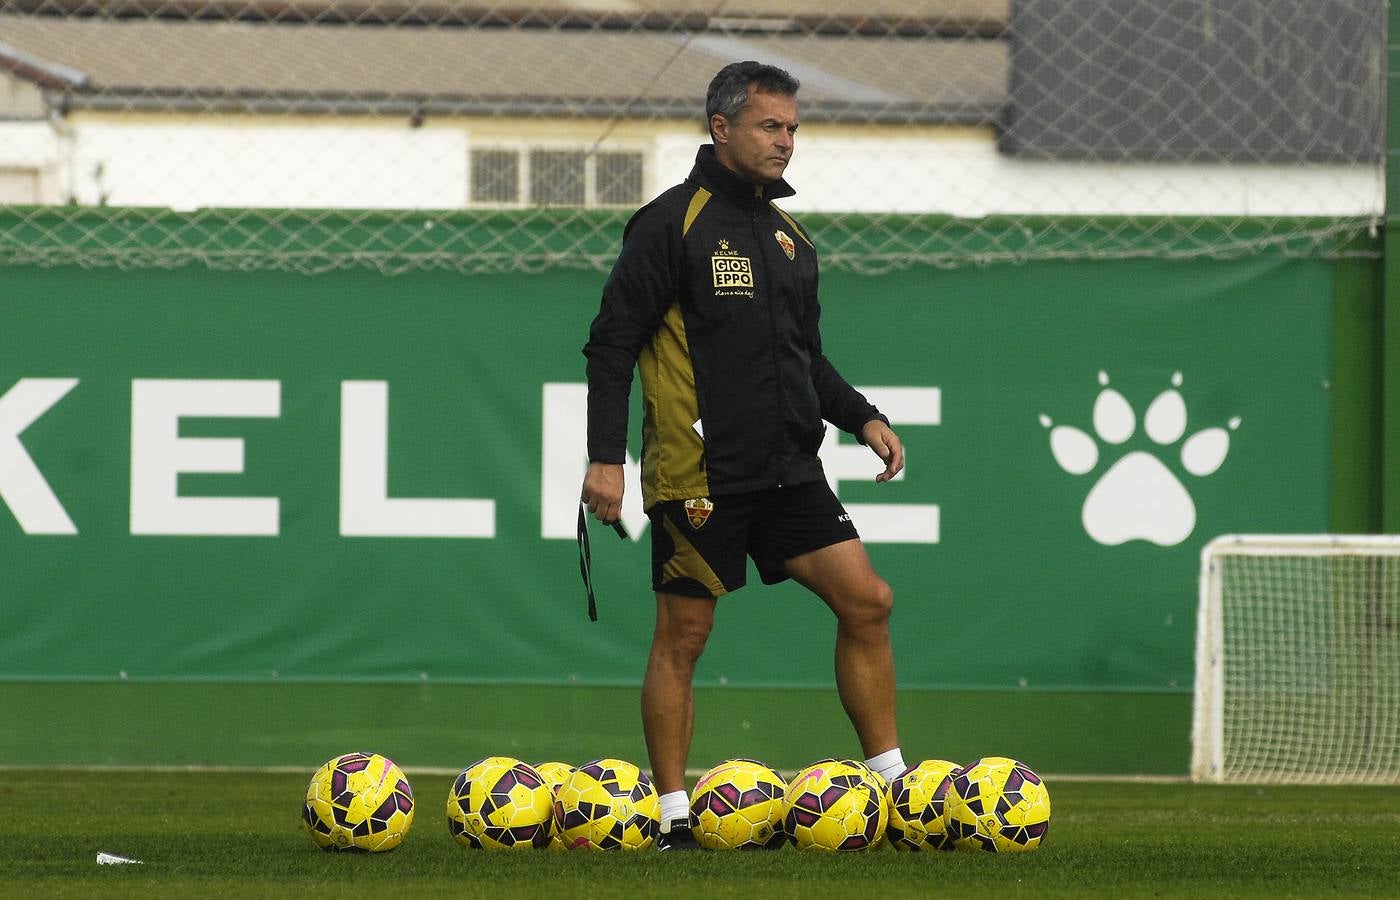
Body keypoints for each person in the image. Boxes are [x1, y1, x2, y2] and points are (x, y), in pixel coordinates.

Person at [581, 60, 907, 850]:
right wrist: (606, 458)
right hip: (702, 473)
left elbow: (805, 357)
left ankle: (896, 792)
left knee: (868, 603)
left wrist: (862, 417)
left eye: (793, 127)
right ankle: (673, 817)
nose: (786, 141)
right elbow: (612, 345)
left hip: (791, 469)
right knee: (684, 639)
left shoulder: (791, 237)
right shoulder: (669, 223)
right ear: (721, 127)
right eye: (770, 125)